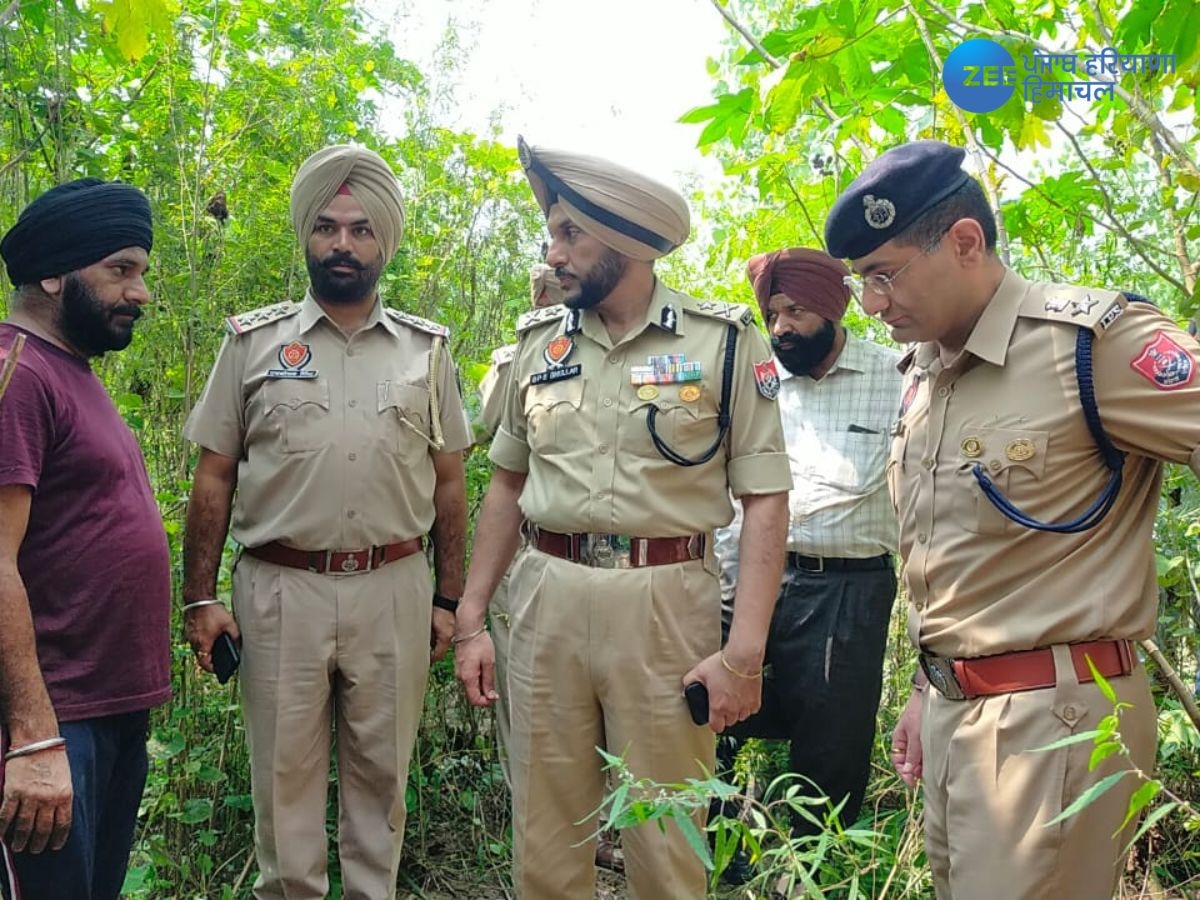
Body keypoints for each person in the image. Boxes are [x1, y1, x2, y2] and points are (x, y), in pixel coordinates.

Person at [824, 140, 1200, 899]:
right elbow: (959, 560)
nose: (872, 303)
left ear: (964, 242)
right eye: (863, 281)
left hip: (1054, 723)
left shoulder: (1091, 346)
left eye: (885, 275)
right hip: (954, 720)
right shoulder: (924, 375)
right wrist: (929, 689)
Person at [454, 137, 792, 900]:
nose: (555, 253)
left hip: (666, 603)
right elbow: (507, 485)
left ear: (629, 241)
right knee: (544, 830)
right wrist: (473, 616)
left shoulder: (723, 343)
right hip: (544, 596)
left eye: (571, 233)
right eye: (553, 234)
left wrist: (743, 656)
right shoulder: (540, 346)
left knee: (667, 835)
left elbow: (767, 500)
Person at [181, 145, 471, 900]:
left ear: (383, 243)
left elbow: (449, 483)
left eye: (361, 230)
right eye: (327, 228)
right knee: (285, 787)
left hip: (394, 590)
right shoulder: (253, 342)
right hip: (281, 592)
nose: (343, 244)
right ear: (306, 237)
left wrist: (449, 599)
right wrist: (199, 596)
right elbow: (213, 473)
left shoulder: (426, 350)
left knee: (383, 784)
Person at [0, 179, 170, 899]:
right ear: (53, 272)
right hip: (53, 722)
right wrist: (34, 736)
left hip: (105, 713)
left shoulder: (71, 372)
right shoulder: (17, 374)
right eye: (120, 270)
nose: (140, 292)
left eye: (142, 272)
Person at [713, 248, 900, 847]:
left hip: (849, 586)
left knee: (832, 737)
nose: (781, 328)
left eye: (795, 311)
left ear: (831, 307)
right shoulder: (758, 380)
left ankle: (813, 868)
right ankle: (714, 851)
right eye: (772, 314)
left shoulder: (896, 378)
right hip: (748, 579)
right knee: (708, 710)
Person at [475, 262, 564, 789]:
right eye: (547, 289)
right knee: (525, 695)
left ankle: (601, 821)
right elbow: (494, 421)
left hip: (589, 555)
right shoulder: (515, 358)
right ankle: (530, 808)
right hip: (522, 552)